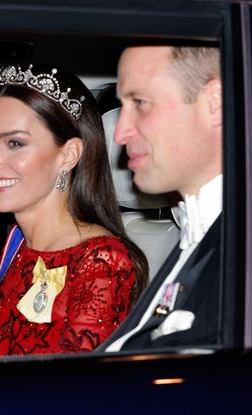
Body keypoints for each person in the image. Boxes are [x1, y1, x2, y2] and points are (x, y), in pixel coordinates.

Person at [0, 63, 149, 357]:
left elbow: (67, 395)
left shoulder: (102, 262)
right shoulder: (20, 245)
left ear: (68, 155)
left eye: (14, 143)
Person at [97, 45, 223, 352]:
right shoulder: (194, 234)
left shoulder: (244, 250)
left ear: (215, 104)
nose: (119, 133)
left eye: (140, 102)